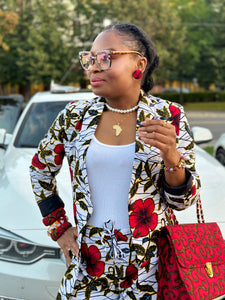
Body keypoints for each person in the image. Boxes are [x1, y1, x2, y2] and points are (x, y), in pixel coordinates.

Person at [29, 22, 200, 300]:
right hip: (89, 267)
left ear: (139, 64)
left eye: (106, 57)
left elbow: (184, 202)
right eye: (90, 59)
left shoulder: (169, 115)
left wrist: (171, 156)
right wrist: (58, 226)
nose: (93, 67)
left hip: (150, 270)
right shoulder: (74, 116)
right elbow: (39, 170)